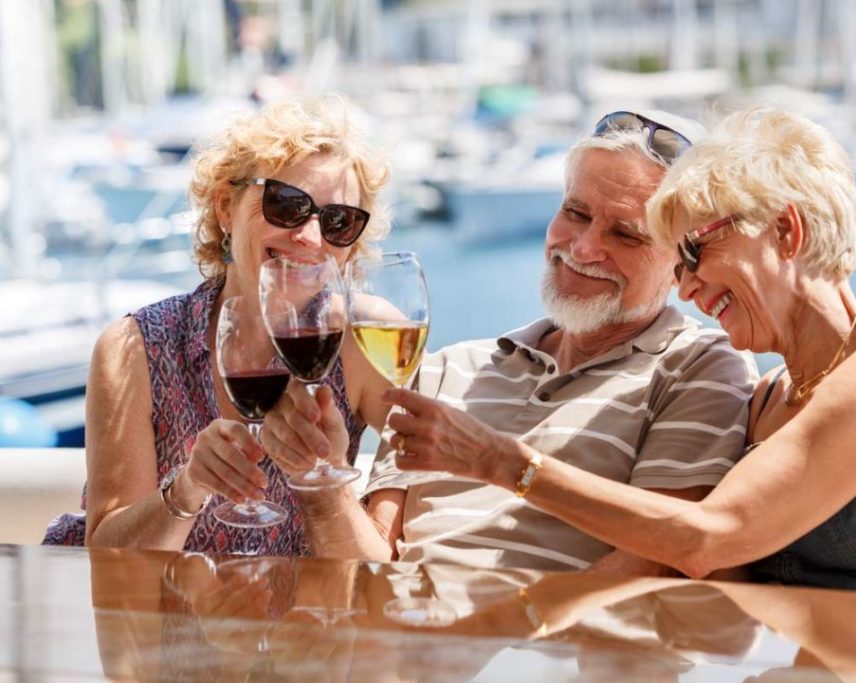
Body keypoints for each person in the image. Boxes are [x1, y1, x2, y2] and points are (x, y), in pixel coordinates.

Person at [382, 107, 856, 597]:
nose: (687, 288)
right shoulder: (768, 400)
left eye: (694, 253)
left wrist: (501, 462)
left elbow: (704, 540)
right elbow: (716, 572)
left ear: (786, 231)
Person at [263, 110, 759, 575]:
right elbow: (373, 568)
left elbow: (655, 564)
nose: (585, 247)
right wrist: (322, 479)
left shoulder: (698, 368)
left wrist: (485, 630)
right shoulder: (447, 369)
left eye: (627, 235)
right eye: (576, 212)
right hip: (402, 632)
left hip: (540, 638)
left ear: (682, 266)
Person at [44, 95, 395, 555]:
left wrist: (323, 488)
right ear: (226, 207)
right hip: (158, 604)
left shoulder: (364, 340)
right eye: (287, 204)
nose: (310, 237)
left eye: (339, 221)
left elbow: (384, 571)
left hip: (298, 607)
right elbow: (109, 559)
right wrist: (186, 489)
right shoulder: (136, 348)